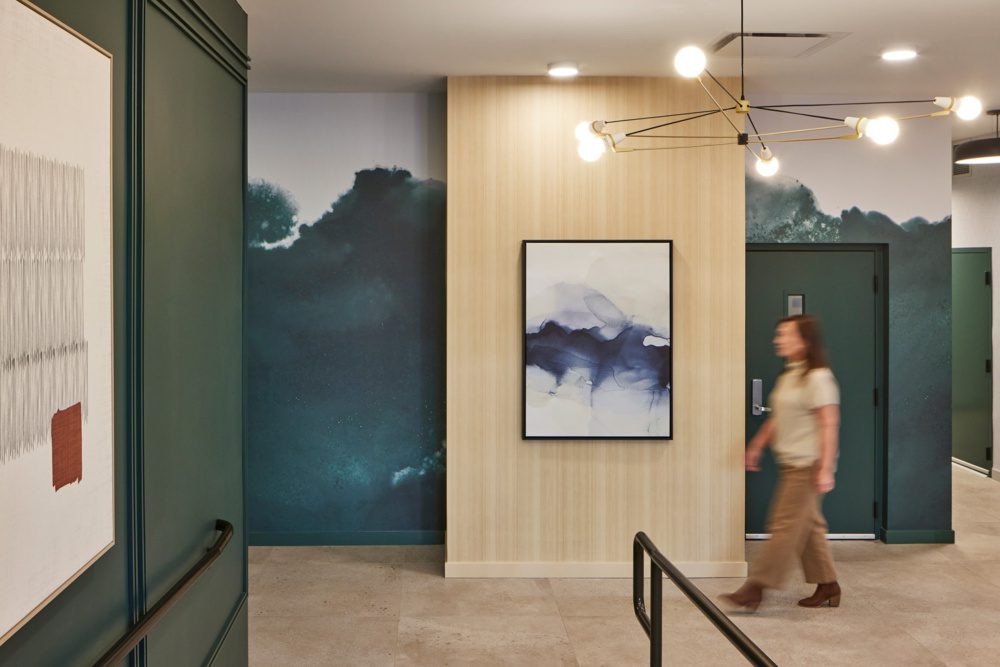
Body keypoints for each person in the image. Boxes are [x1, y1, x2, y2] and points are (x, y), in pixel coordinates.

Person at [720, 314, 841, 612]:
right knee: (809, 527)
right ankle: (828, 585)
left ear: (804, 340)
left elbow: (829, 423)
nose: (778, 340)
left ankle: (755, 588)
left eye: (784, 334)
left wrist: (825, 468)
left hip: (807, 466)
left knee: (784, 525)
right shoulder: (790, 375)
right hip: (790, 462)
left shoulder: (819, 378)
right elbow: (778, 418)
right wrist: (757, 445)